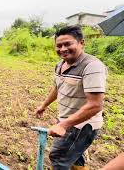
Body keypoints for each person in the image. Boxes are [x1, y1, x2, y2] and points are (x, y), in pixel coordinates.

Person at [35, 26, 107, 170]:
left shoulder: (92, 66)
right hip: (67, 119)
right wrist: (44, 105)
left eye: (68, 44)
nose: (62, 49)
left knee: (59, 157)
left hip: (82, 125)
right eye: (59, 45)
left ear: (81, 43)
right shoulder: (60, 64)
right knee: (74, 156)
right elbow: (57, 88)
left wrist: (63, 125)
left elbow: (95, 105)